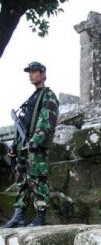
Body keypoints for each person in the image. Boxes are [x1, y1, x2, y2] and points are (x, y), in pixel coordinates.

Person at [2, 62, 59, 228]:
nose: (31, 75)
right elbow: (22, 126)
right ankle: (19, 215)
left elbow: (48, 119)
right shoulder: (31, 98)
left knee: (37, 178)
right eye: (29, 72)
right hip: (23, 146)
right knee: (21, 181)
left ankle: (40, 216)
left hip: (35, 146)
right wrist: (14, 145)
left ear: (43, 74)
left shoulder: (48, 95)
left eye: (34, 72)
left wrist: (36, 141)